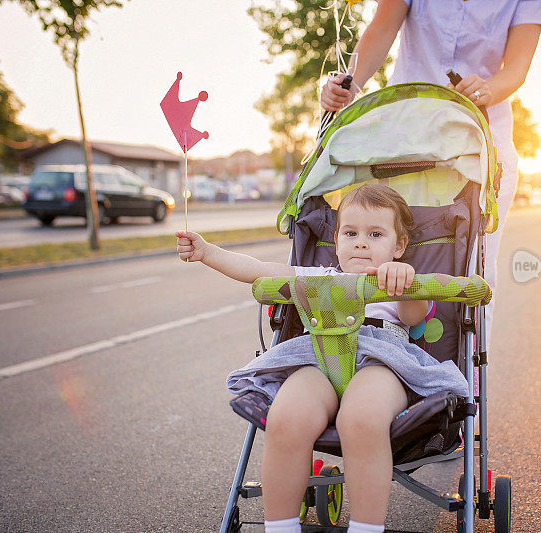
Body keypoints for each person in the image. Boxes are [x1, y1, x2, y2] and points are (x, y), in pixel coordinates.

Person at [176, 183, 469, 533]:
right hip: (318, 357)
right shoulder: (319, 277)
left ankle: (365, 528)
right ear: (336, 239)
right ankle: (280, 527)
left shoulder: (399, 280)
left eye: (375, 234)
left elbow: (414, 316)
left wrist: (405, 283)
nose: (361, 242)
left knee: (360, 419)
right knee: (285, 418)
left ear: (399, 245)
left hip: (382, 362)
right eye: (351, 233)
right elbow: (257, 270)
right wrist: (207, 252)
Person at [321, 0, 541, 349]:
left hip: (478, 142)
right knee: (386, 239)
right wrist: (352, 85)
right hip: (403, 139)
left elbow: (516, 67)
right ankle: (369, 346)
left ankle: (462, 377)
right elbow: (382, 28)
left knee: (474, 265)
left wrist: (488, 89)